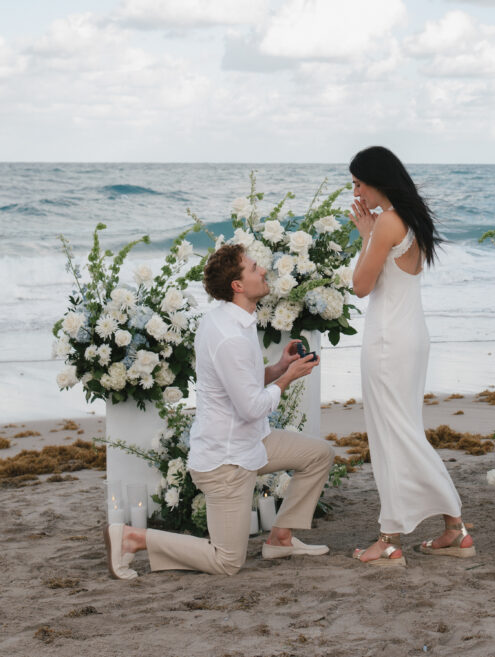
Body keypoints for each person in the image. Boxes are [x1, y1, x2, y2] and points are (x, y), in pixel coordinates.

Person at [104, 242, 335, 579]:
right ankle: (132, 538)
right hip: (226, 461)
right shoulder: (229, 336)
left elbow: (241, 382)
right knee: (226, 561)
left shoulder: (229, 320)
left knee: (319, 455)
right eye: (255, 267)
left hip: (251, 443)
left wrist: (278, 367)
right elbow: (253, 406)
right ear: (237, 285)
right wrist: (288, 378)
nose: (264, 271)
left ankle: (281, 538)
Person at [347, 146, 476, 567]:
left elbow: (361, 286)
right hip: (410, 335)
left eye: (359, 183)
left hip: (388, 341)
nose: (356, 191)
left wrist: (366, 235)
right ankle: (454, 530)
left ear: (377, 181)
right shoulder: (412, 219)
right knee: (403, 430)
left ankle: (389, 539)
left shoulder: (386, 222)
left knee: (394, 434)